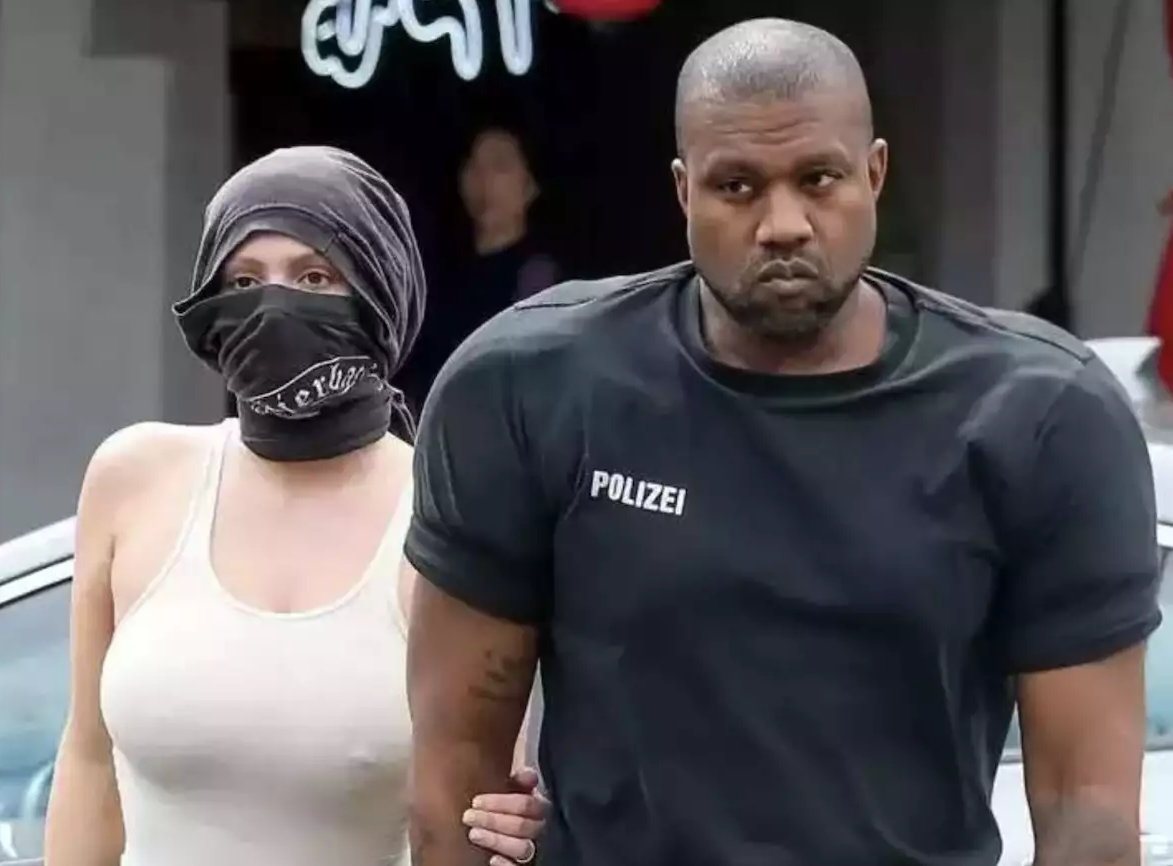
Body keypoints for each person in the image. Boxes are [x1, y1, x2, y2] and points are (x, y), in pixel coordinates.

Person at [404, 17, 1161, 866]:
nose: (784, 223)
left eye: (818, 178)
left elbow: (1088, 814)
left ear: (874, 174)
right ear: (683, 191)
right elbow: (451, 781)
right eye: (737, 186)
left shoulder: (1043, 415)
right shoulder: (528, 386)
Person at [43, 146, 547, 866]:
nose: (273, 306)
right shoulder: (135, 480)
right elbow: (89, 760)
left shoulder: (449, 514)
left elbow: (481, 808)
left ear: (377, 293)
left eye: (314, 277)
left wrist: (517, 839)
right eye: (244, 280)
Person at [402, 127, 560, 411]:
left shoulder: (540, 276)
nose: (483, 178)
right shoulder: (437, 273)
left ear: (530, 185)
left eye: (499, 165)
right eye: (474, 165)